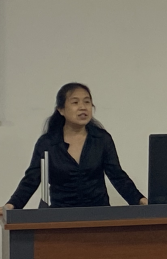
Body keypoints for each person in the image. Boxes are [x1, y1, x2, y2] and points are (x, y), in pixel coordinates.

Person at [4, 82, 147, 210]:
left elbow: (117, 176)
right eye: (75, 102)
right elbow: (31, 180)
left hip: (98, 214)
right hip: (60, 216)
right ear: (61, 110)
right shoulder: (47, 143)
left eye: (87, 102)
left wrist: (140, 200)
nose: (83, 107)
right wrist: (12, 205)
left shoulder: (101, 139)